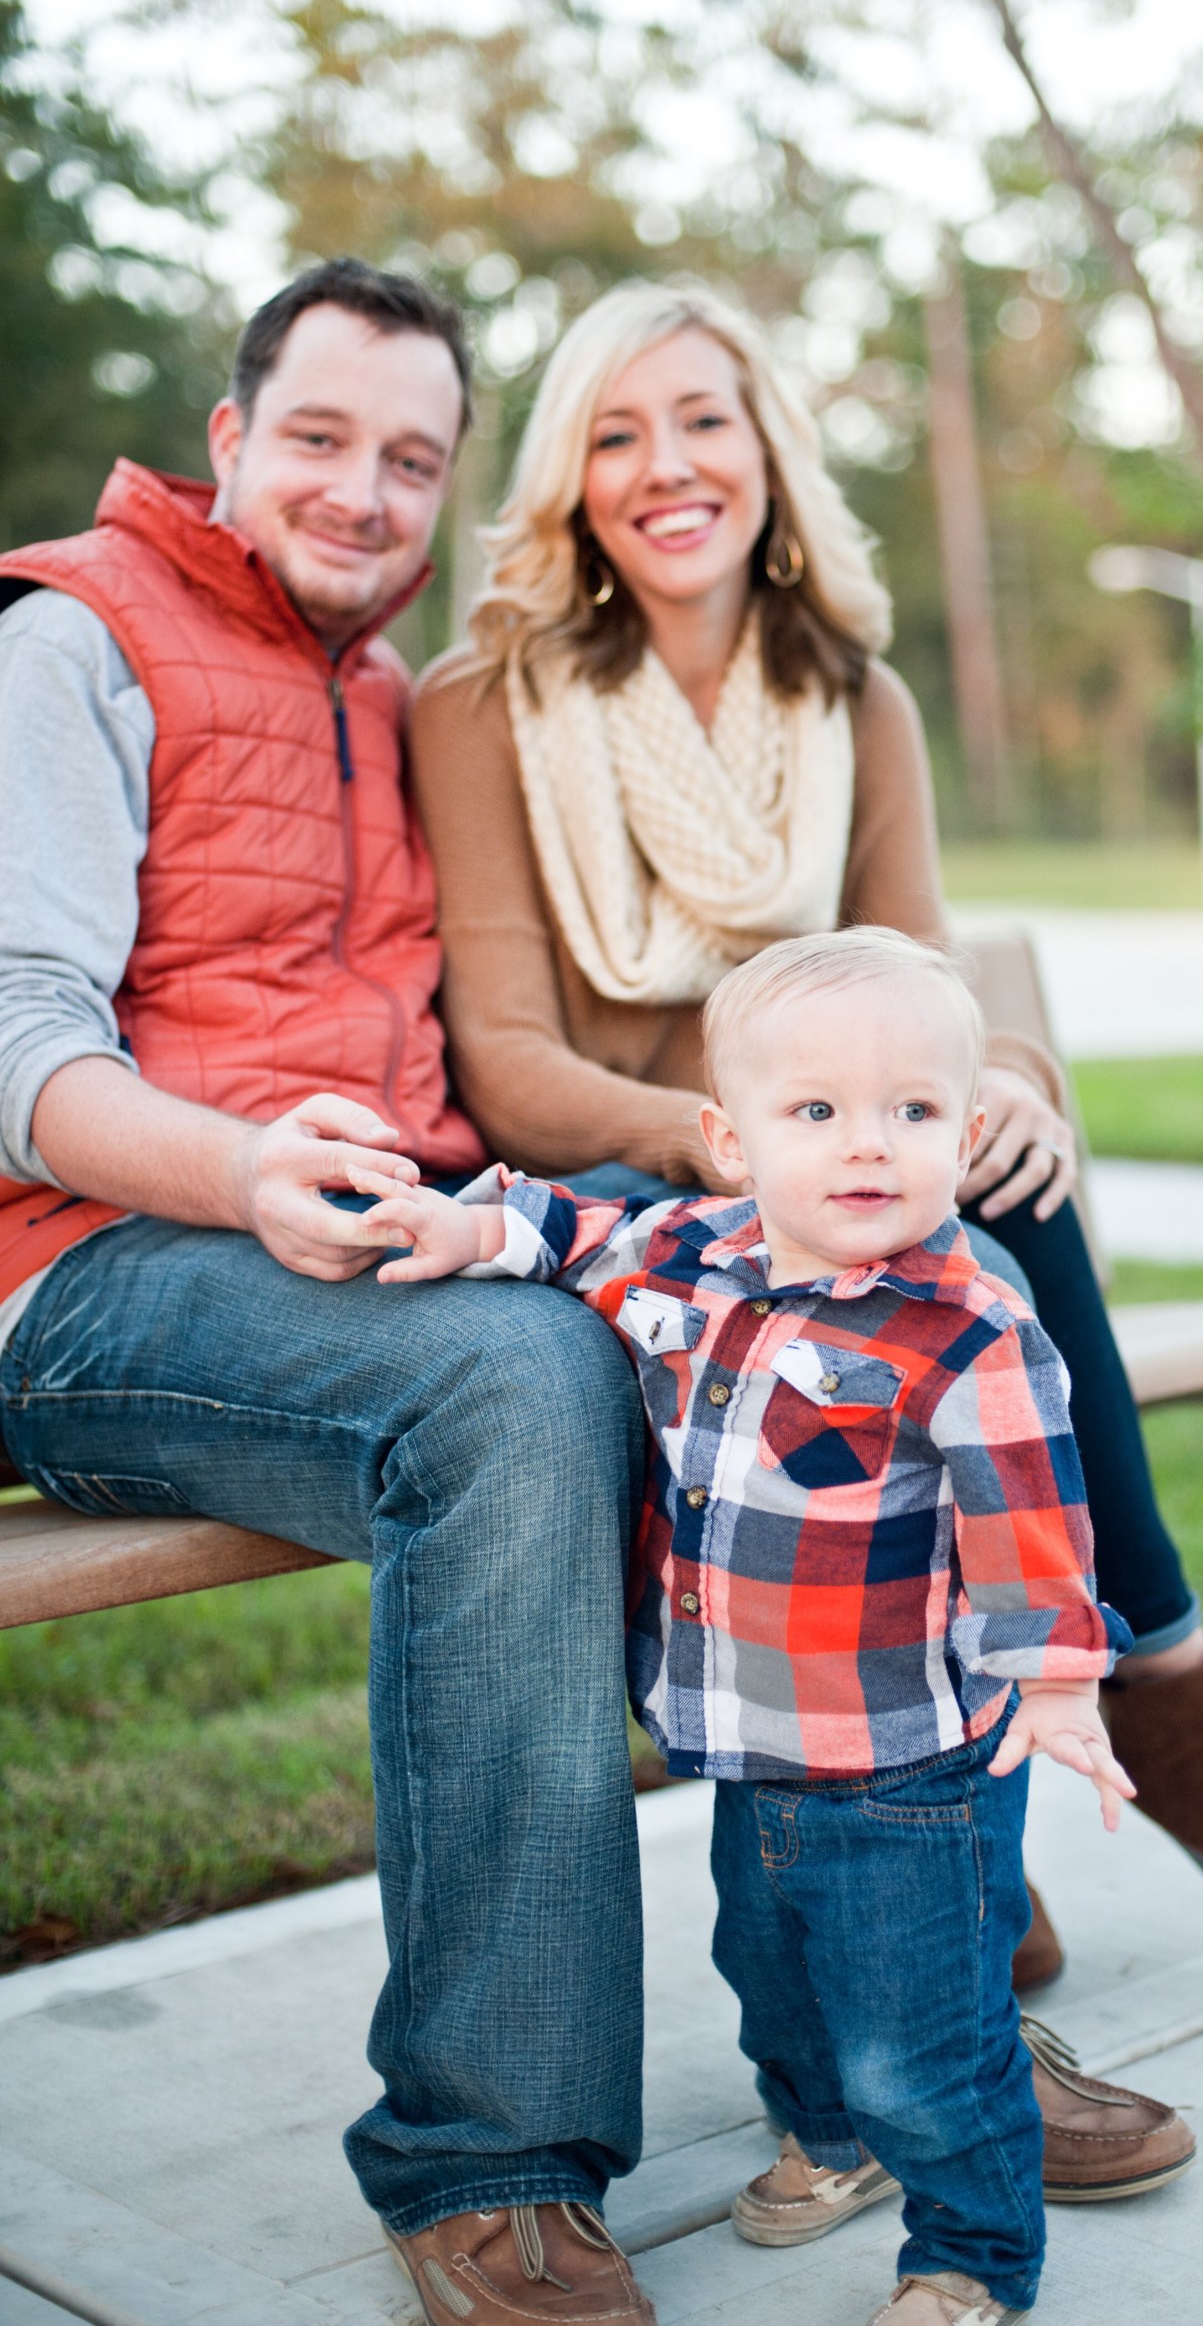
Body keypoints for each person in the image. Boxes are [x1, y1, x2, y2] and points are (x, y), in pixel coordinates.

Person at [411, 275, 1203, 1982]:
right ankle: (1101, 1757)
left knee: (995, 1188)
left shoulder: (852, 700)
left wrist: (1003, 1079)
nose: (666, 465)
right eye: (615, 434)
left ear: (766, 449)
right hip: (633, 1190)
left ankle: (1127, 1710)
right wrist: (753, 1149)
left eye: (702, 419)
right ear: (570, 484)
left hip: (825, 1172)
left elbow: (924, 981)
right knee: (921, 1261)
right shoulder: (486, 700)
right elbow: (513, 1063)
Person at [0, 260, 660, 2325]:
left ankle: (908, 2006)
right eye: (317, 437)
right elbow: (15, 1038)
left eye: (410, 457)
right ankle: (492, 2158)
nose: (363, 492)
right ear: (227, 438)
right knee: (517, 1385)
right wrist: (242, 1172)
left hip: (370, 1245)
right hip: (90, 1275)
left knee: (793, 1268)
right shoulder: (76, 638)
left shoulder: (392, 696)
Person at [345, 925, 1144, 2326]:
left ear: (966, 1136)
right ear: (730, 1140)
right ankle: (830, 2140)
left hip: (908, 1771)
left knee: (924, 2043)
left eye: (913, 1111)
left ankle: (971, 2258)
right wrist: (474, 1230)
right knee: (773, 1982)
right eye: (816, 1110)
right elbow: (576, 1232)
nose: (868, 1144)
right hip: (748, 1744)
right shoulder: (692, 1256)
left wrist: (1063, 1686)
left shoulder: (972, 1334)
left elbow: (1035, 1527)